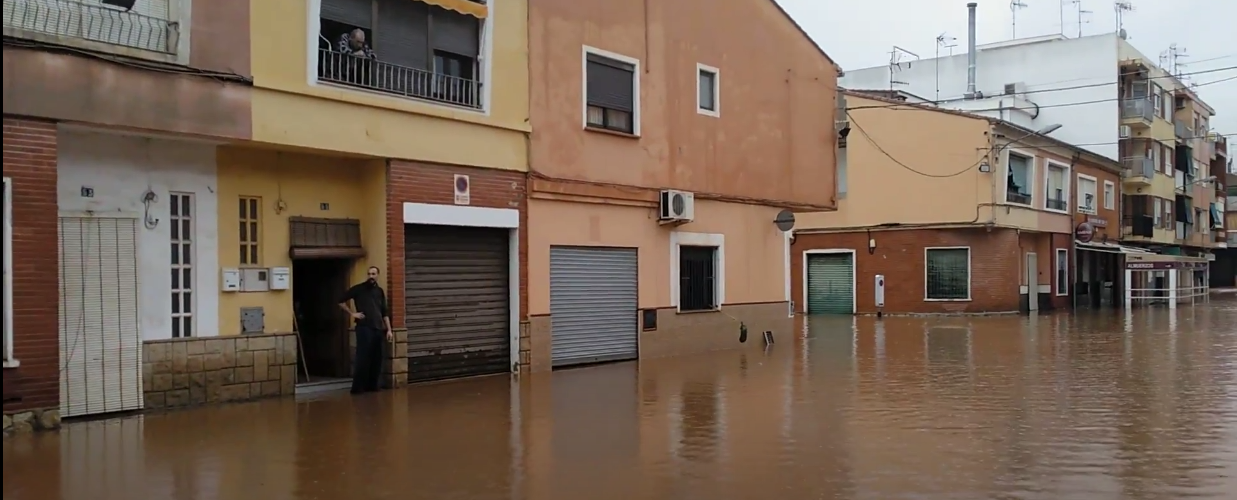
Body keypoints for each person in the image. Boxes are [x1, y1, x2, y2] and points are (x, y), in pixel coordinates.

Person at [338, 266, 393, 394]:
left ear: (377, 275)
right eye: (369, 274)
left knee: (377, 359)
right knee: (363, 358)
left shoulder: (379, 291)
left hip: (378, 328)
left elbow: (384, 311)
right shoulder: (359, 289)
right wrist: (352, 313)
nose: (371, 276)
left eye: (373, 274)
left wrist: (389, 330)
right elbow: (340, 300)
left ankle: (373, 386)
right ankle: (357, 388)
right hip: (364, 328)